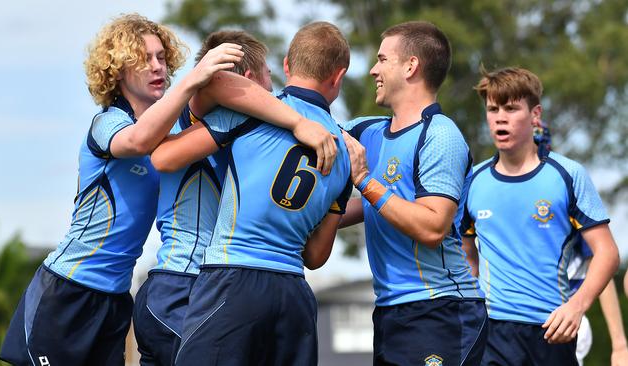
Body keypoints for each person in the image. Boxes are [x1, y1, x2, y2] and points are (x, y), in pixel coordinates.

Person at [0, 13, 246, 366]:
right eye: (145, 59)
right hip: (68, 290)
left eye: (162, 57)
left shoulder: (174, 127)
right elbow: (140, 138)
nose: (158, 66)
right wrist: (194, 80)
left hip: (115, 300)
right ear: (118, 70)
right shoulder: (107, 123)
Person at [148, 21, 352, 366]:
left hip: (233, 279)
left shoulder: (250, 113)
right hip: (294, 295)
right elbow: (316, 255)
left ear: (288, 65)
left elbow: (163, 157)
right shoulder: (346, 152)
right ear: (339, 76)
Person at [340, 21, 487, 365]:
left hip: (442, 311)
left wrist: (365, 181)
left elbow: (432, 227)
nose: (373, 70)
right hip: (391, 311)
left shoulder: (440, 135)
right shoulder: (368, 131)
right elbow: (306, 118)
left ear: (411, 67)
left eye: (382, 59)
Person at [131, 30, 277, 366]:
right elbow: (212, 86)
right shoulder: (194, 114)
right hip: (181, 287)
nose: (273, 88)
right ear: (250, 79)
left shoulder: (244, 137)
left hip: (192, 289)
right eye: (269, 75)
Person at [462, 66, 620, 365]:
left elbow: (607, 254)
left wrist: (576, 307)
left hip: (551, 329)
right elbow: (467, 256)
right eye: (493, 109)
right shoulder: (474, 180)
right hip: (492, 331)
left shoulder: (567, 175)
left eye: (511, 108)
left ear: (535, 115)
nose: (500, 117)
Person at [567, 235, 628, 366]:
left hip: (566, 324)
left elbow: (603, 264)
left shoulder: (579, 216)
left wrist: (620, 346)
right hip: (517, 321)